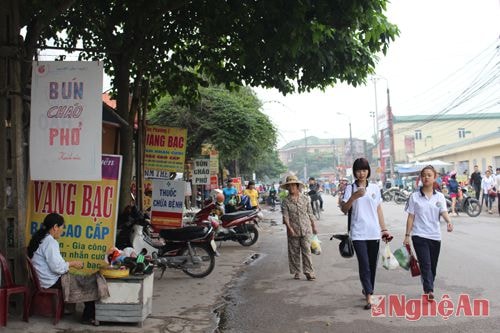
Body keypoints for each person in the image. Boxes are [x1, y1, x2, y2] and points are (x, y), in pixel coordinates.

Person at [341, 158, 392, 310]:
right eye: (358, 170)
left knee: (372, 265)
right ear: (354, 172)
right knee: (364, 264)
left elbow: (378, 210)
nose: (361, 173)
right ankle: (369, 295)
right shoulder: (350, 188)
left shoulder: (375, 188)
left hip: (373, 232)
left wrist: (384, 229)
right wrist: (354, 196)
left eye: (364, 170)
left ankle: (368, 287)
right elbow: (344, 209)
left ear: (368, 171)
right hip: (358, 233)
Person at [27, 213, 95, 324]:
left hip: (43, 279)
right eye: (62, 228)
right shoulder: (50, 242)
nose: (62, 231)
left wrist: (67, 265)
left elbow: (57, 264)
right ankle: (87, 317)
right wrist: (72, 264)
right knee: (86, 284)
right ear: (55, 227)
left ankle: (73, 309)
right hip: (49, 281)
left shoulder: (41, 238)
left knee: (80, 280)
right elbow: (57, 268)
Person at [404, 165, 453, 300]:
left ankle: (428, 284)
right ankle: (429, 290)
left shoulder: (440, 197)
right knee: (425, 264)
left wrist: (449, 221)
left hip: (435, 235)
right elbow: (411, 217)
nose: (426, 177)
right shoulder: (414, 197)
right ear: (421, 177)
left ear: (434, 177)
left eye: (429, 175)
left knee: (432, 266)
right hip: (419, 235)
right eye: (424, 175)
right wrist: (407, 236)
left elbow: (443, 211)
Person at [281, 175, 318, 281]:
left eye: (293, 185)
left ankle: (308, 272)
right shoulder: (285, 201)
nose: (291, 188)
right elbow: (285, 216)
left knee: (307, 250)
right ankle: (296, 271)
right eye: (289, 186)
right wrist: (289, 228)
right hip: (293, 230)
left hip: (306, 229)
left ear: (297, 186)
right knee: (294, 251)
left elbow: (310, 213)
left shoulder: (306, 198)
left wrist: (314, 226)